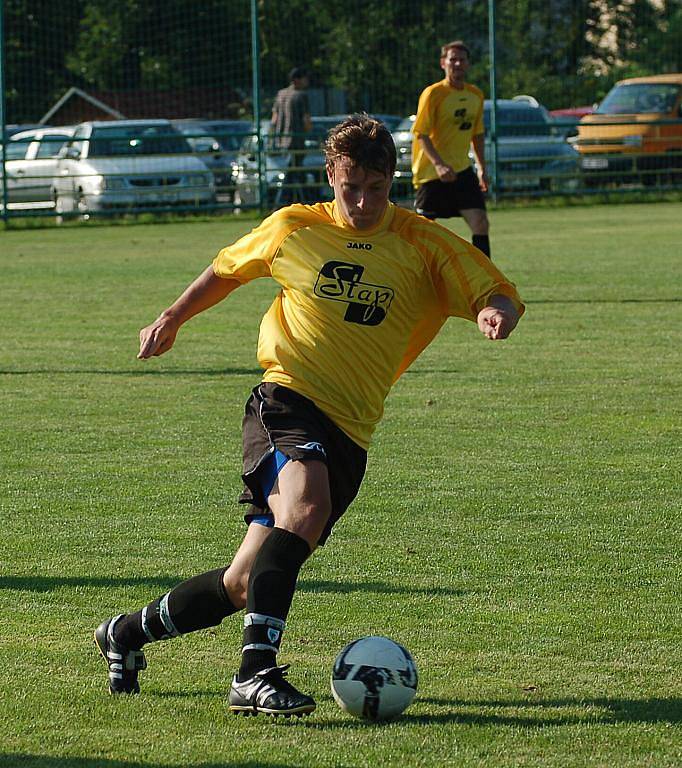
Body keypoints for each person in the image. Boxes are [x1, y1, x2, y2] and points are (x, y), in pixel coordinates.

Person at [94, 114, 524, 718]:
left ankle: (126, 634)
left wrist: (495, 312)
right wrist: (171, 317)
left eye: (377, 188)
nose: (364, 201)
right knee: (306, 507)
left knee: (245, 583)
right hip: (287, 399)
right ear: (331, 176)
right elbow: (226, 269)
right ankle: (255, 674)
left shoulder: (422, 243)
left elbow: (494, 286)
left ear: (392, 181)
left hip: (353, 428)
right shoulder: (295, 227)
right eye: (351, 187)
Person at [412, 40, 491, 258]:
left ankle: (484, 277)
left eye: (461, 60)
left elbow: (477, 134)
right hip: (432, 171)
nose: (457, 64)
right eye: (452, 59)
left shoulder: (476, 94)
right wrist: (438, 164)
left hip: (462, 170)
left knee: (480, 222)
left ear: (468, 64)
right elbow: (421, 133)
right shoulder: (433, 94)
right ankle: (416, 273)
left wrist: (482, 168)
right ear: (443, 63)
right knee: (423, 230)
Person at [271, 66, 312, 203]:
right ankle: (279, 203)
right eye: (304, 78)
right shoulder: (301, 96)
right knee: (292, 173)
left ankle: (305, 202)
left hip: (282, 140)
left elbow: (274, 119)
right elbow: (306, 120)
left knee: (297, 173)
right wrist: (310, 132)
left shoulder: (280, 94)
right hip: (296, 140)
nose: (307, 81)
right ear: (297, 80)